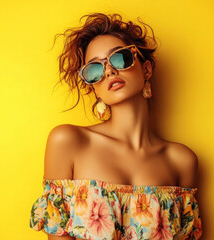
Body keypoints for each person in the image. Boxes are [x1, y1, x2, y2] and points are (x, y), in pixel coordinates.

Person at [29, 12, 203, 240]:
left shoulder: (181, 160)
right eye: (94, 70)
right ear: (93, 87)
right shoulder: (69, 141)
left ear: (146, 69)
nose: (109, 71)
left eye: (120, 58)